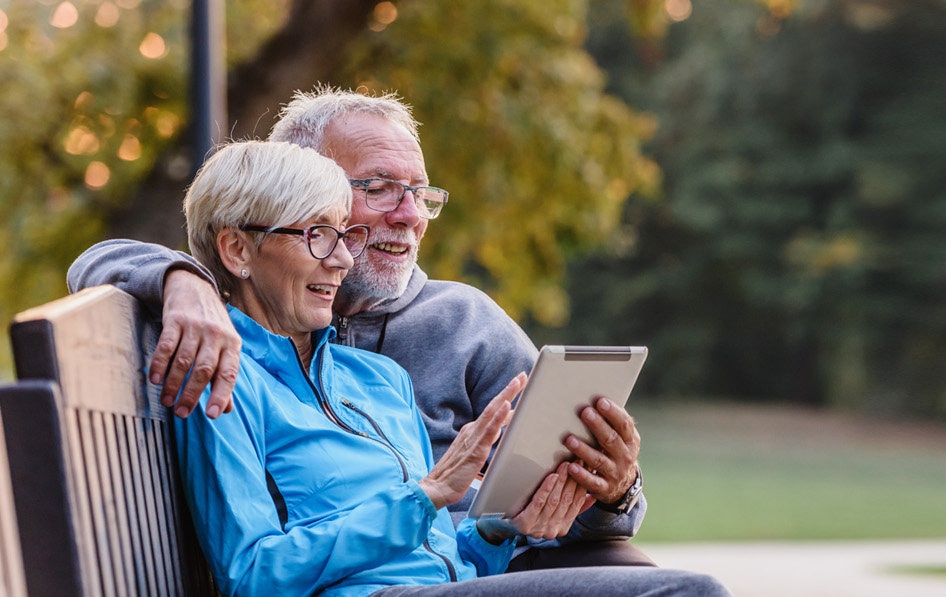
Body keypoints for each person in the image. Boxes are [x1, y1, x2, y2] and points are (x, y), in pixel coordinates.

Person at [70, 87, 652, 569]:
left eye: (420, 194)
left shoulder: (447, 333)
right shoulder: (229, 350)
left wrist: (611, 493)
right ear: (302, 185)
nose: (410, 215)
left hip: (481, 567)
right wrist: (182, 279)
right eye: (377, 189)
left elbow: (570, 512)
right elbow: (95, 261)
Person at [174, 140, 726, 597]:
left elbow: (440, 559)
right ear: (238, 251)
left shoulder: (377, 381)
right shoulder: (221, 378)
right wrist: (428, 493)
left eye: (345, 235)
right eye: (317, 235)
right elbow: (250, 575)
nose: (342, 258)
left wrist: (499, 530)